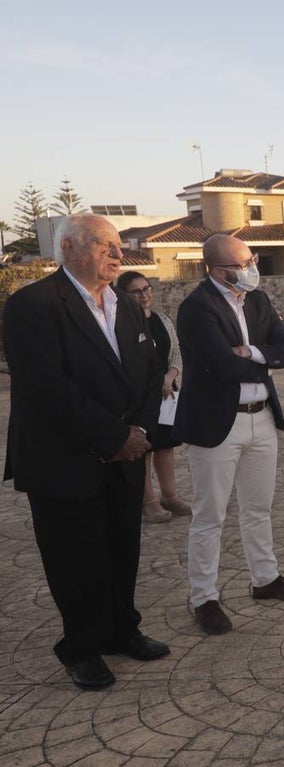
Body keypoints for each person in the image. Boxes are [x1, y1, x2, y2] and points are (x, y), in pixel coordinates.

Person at [2, 213, 169, 689]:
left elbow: (151, 371)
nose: (118, 255)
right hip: (64, 461)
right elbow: (46, 387)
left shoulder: (127, 306)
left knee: (123, 547)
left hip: (126, 454)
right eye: (105, 246)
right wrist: (113, 438)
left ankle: (121, 630)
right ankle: (81, 647)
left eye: (118, 246)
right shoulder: (32, 305)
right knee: (75, 558)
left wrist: (137, 431)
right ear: (71, 246)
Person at [174, 234, 284, 636]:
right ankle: (204, 597)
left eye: (252, 258)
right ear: (218, 270)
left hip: (262, 416)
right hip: (218, 423)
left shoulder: (259, 300)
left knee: (258, 507)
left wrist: (251, 352)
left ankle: (265, 579)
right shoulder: (196, 308)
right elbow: (220, 365)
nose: (252, 266)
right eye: (245, 261)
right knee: (210, 514)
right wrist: (266, 358)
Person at [116, 271, 191, 523]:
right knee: (144, 450)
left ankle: (170, 495)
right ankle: (148, 502)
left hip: (167, 394)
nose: (144, 295)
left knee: (166, 446)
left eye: (147, 288)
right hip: (139, 398)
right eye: (136, 291)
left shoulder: (162, 320)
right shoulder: (122, 323)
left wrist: (169, 377)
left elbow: (176, 353)